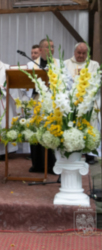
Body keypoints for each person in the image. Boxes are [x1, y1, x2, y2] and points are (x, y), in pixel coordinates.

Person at [27, 39, 60, 173]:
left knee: (51, 132)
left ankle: (52, 164)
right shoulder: (31, 64)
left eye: (53, 47)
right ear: (40, 50)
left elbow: (68, 82)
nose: (51, 49)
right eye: (48, 47)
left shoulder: (60, 64)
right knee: (36, 132)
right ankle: (37, 164)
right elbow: (24, 85)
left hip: (54, 102)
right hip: (37, 101)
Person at [65, 42, 100, 164]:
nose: (81, 55)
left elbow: (97, 82)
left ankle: (90, 154)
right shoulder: (66, 64)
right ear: (74, 52)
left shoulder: (94, 64)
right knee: (73, 126)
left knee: (90, 126)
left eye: (83, 53)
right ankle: (74, 151)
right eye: (78, 53)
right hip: (72, 101)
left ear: (87, 53)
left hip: (88, 101)